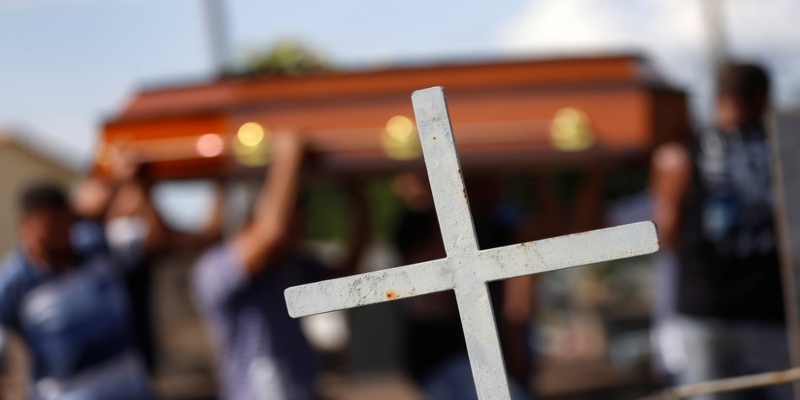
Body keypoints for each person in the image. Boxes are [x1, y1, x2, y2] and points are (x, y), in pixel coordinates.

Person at [191, 131, 367, 400]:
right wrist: (288, 155)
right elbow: (271, 232)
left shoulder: (290, 265)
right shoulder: (215, 268)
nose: (303, 224)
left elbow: (346, 275)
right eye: (294, 211)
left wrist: (358, 201)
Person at [652, 63, 789, 399]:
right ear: (763, 98)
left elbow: (666, 232)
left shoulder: (678, 155)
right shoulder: (783, 149)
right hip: (769, 308)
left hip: (705, 307)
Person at [0, 180, 155, 400]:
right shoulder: (12, 286)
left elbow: (154, 240)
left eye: (65, 224)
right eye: (50, 226)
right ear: (25, 227)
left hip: (132, 390)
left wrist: (133, 188)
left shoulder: (97, 245)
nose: (61, 233)